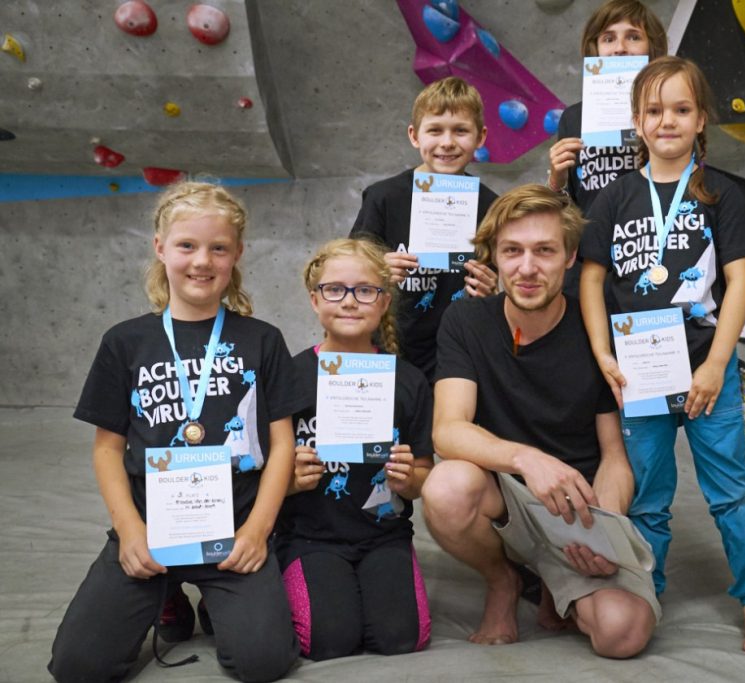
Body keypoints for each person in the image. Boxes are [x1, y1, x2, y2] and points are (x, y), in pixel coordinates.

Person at [49, 182, 300, 681]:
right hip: (151, 529)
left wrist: (257, 531)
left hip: (234, 530)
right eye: (187, 245)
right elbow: (107, 449)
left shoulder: (262, 340)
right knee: (78, 668)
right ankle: (167, 598)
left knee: (264, 663)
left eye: (218, 248)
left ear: (237, 255)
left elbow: (282, 443)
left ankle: (215, 601)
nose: (201, 261)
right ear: (160, 248)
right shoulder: (125, 342)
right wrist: (129, 532)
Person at [578, 55, 745, 653]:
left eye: (681, 109)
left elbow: (739, 283)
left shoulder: (721, 193)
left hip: (705, 374)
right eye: (654, 110)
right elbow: (592, 280)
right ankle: (648, 594)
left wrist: (718, 363)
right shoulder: (614, 197)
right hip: (636, 376)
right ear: (636, 121)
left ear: (700, 120)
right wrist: (601, 353)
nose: (667, 120)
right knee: (647, 497)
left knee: (736, 494)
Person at [422, 184, 659, 659]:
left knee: (622, 634)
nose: (527, 268)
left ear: (570, 257)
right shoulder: (465, 320)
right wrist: (526, 459)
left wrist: (601, 535)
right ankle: (504, 582)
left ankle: (559, 579)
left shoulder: (598, 329)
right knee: (446, 486)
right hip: (507, 496)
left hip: (579, 503)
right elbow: (448, 429)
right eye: (512, 251)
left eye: (544, 251)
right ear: (493, 256)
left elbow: (614, 455)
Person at [274, 238, 434, 661]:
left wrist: (409, 479)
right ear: (314, 299)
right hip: (310, 536)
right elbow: (261, 473)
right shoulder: (288, 376)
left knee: (402, 638)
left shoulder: (410, 382)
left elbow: (423, 478)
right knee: (326, 641)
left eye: (365, 290)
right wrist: (287, 481)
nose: (349, 301)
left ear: (384, 302)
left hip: (384, 536)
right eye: (335, 289)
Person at [352, 76, 499, 382]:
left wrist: (491, 290)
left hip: (459, 353)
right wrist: (376, 273)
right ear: (414, 136)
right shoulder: (383, 198)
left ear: (481, 137)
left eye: (461, 131)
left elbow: (500, 287)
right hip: (387, 350)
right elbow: (346, 274)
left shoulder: (492, 207)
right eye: (435, 130)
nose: (447, 142)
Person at [547, 0, 668, 295]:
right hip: (591, 263)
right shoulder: (574, 118)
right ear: (595, 49)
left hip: (654, 257)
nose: (620, 48)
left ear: (653, 49)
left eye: (634, 37)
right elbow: (567, 209)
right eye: (608, 38)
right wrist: (556, 180)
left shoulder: (670, 114)